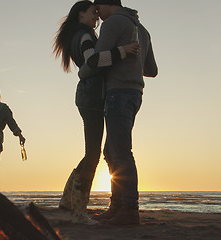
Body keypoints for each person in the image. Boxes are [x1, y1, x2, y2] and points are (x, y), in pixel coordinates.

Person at [53, 0, 139, 224]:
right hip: (92, 97)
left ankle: (68, 201)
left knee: (91, 153)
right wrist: (123, 50)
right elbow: (93, 60)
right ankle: (79, 210)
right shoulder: (84, 35)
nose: (97, 17)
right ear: (81, 14)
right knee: (92, 155)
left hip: (88, 96)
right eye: (93, 12)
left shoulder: (79, 34)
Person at [81, 0, 158, 225]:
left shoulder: (113, 23)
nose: (97, 13)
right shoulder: (142, 30)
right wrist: (134, 62)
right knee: (111, 151)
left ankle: (129, 211)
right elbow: (152, 70)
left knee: (122, 153)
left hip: (118, 92)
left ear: (107, 4)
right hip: (135, 94)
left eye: (98, 8)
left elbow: (97, 60)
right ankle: (116, 207)